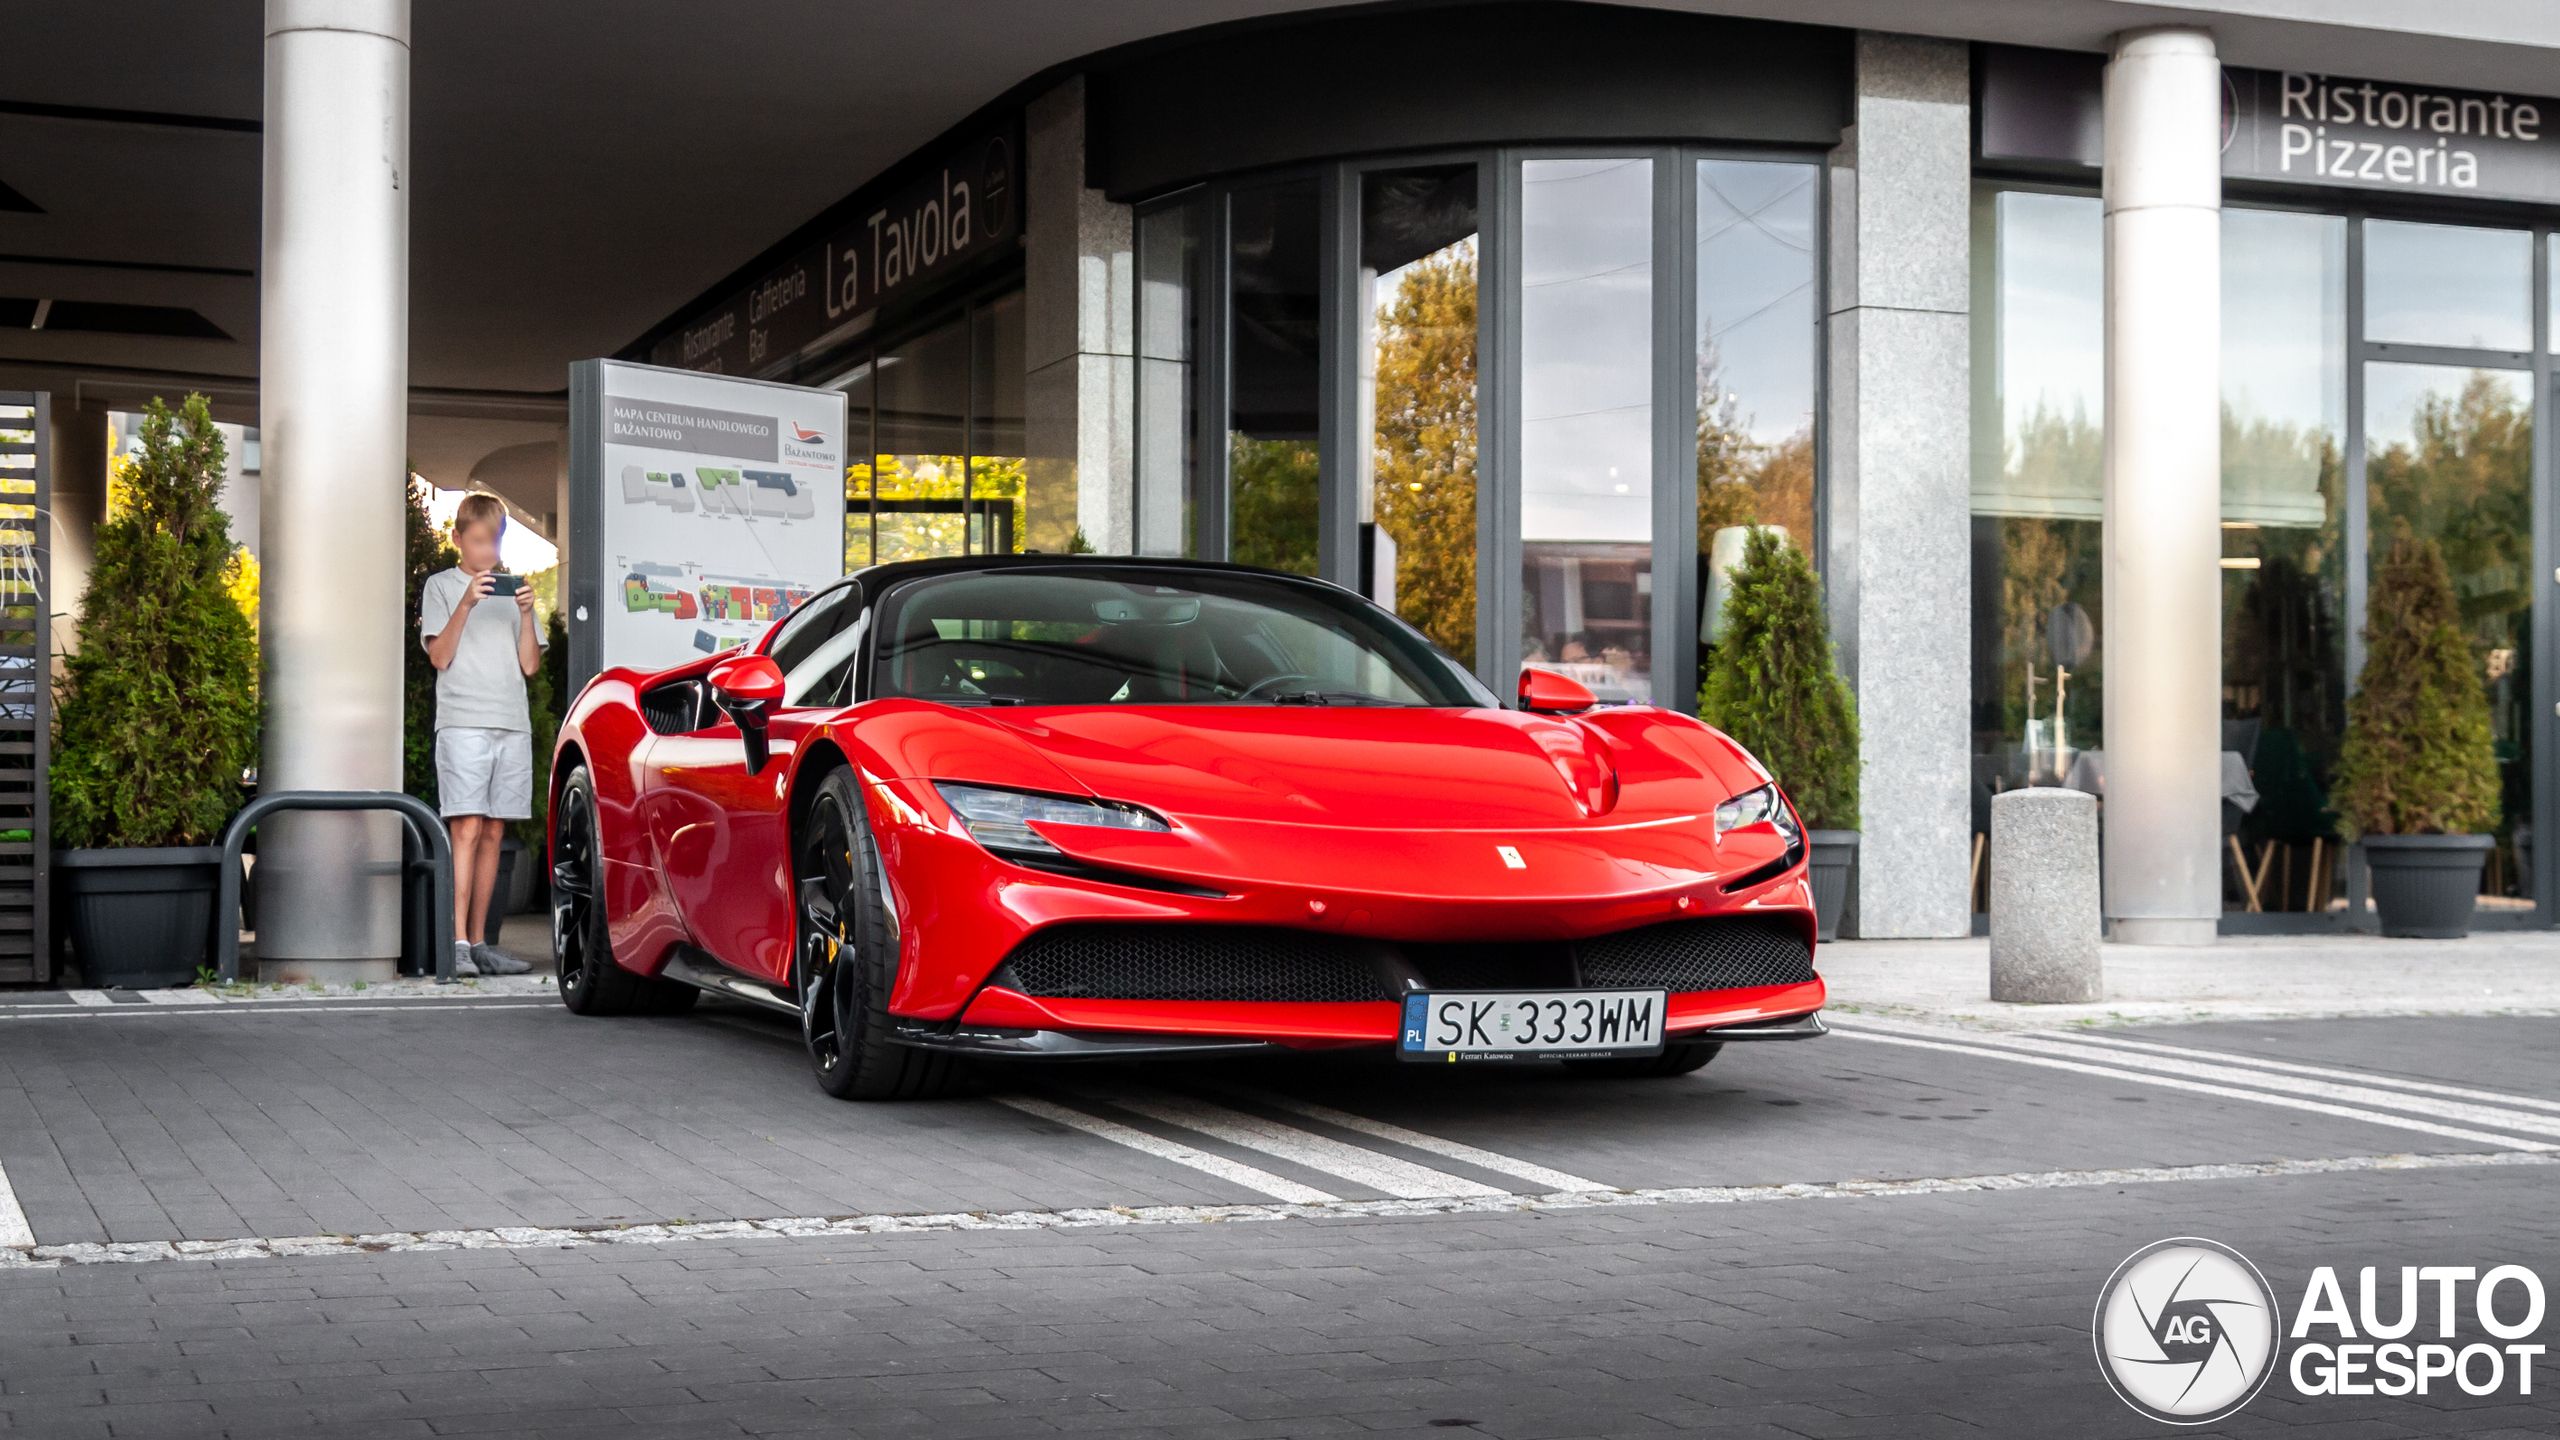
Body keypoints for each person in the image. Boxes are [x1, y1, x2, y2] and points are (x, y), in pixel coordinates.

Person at [419, 494, 542, 977]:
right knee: (466, 828)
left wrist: (528, 614)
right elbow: (439, 658)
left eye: (494, 540)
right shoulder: (441, 586)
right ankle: (455, 945)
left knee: (494, 832)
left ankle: (480, 942)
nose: (487, 550)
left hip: (511, 723)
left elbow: (530, 666)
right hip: (463, 721)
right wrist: (467, 603)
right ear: (457, 540)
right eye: (477, 541)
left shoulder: (516, 593)